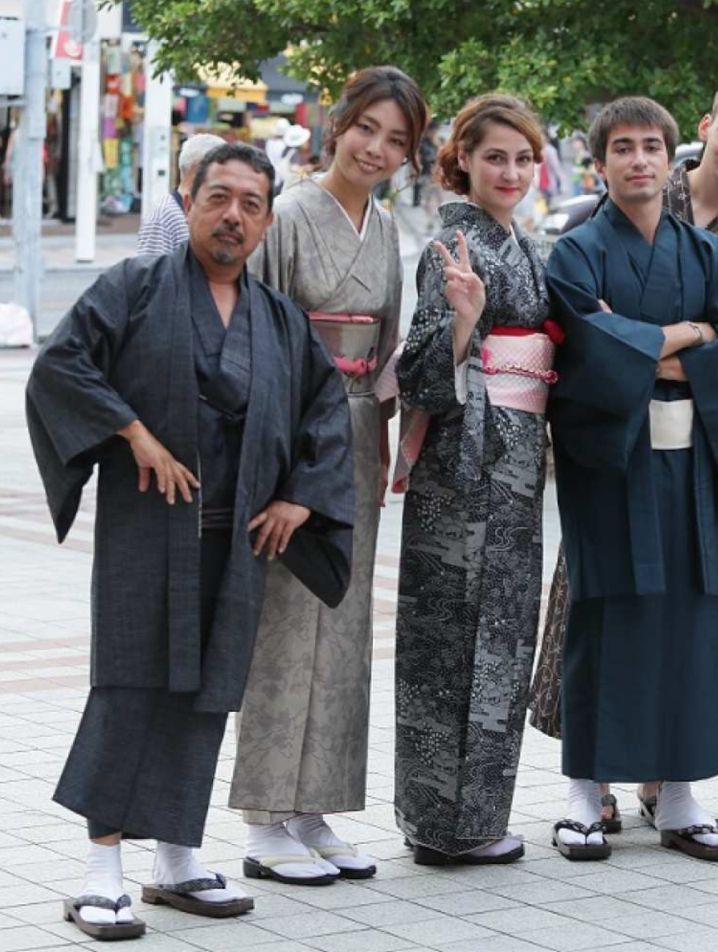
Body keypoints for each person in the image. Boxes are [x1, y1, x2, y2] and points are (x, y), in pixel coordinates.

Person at [26, 142, 354, 941]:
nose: (233, 215)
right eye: (218, 198)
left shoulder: (279, 318)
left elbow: (325, 413)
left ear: (267, 218)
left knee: (210, 692)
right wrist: (133, 433)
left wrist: (302, 501)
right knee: (130, 688)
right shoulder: (134, 289)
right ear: (188, 199)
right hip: (150, 532)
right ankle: (102, 871)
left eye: (250, 203)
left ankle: (176, 858)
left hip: (236, 540)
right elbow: (61, 366)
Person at [527, 72, 718, 829]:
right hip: (611, 458)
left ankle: (677, 790)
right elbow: (587, 342)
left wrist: (649, 343)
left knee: (690, 616)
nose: (640, 160)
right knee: (601, 612)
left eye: (651, 146)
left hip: (691, 463)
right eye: (624, 149)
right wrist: (689, 335)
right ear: (602, 165)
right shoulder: (578, 249)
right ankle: (587, 787)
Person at [229, 66, 425, 885]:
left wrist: (388, 426)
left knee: (343, 622)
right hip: (291, 432)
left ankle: (317, 811)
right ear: (336, 125)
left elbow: (382, 343)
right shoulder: (290, 217)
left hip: (357, 429)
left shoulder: (384, 230)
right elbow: (258, 334)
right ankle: (266, 816)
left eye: (396, 139)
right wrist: (277, 464)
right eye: (366, 129)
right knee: (284, 622)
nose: (377, 149)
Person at [392, 94, 552, 866]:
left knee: (503, 636)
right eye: (495, 157)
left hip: (518, 463)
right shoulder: (450, 247)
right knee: (450, 637)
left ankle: (475, 819)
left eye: (523, 158)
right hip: (463, 469)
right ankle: (441, 822)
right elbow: (420, 375)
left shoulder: (530, 246)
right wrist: (463, 321)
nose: (510, 172)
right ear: (464, 160)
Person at [136, 133, 226, 255]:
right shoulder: (165, 217)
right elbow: (151, 270)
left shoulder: (203, 211)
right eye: (222, 170)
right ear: (199, 169)